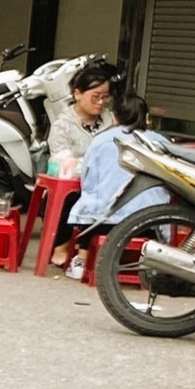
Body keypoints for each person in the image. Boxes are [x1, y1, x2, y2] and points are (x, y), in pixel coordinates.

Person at [63, 92, 167, 279]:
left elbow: (88, 179)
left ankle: (81, 260)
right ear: (146, 117)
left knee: (93, 205)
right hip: (148, 223)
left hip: (104, 222)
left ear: (116, 117)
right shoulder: (160, 142)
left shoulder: (102, 140)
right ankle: (151, 268)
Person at [48, 59, 119, 175]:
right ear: (77, 94)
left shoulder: (111, 121)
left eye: (105, 97)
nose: (101, 102)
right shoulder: (62, 127)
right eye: (95, 97)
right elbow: (61, 167)